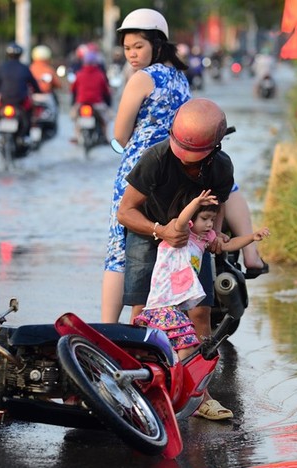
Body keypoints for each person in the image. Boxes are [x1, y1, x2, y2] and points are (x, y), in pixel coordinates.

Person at [117, 98, 236, 418]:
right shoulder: (155, 158)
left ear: (215, 147)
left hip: (193, 242)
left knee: (199, 313)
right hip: (149, 231)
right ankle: (138, 391)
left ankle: (199, 395)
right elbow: (125, 212)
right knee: (144, 312)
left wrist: (216, 234)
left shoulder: (221, 166)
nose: (187, 163)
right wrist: (161, 230)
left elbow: (219, 205)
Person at [101, 7, 190, 323]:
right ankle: (149, 326)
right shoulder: (181, 79)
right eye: (126, 48)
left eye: (138, 47)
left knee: (119, 251)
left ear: (157, 43)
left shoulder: (142, 78)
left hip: (136, 174)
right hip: (174, 177)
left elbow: (120, 135)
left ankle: (108, 330)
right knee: (159, 248)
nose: (132, 55)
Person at [133, 188, 269, 370]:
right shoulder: (180, 234)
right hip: (162, 306)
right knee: (187, 345)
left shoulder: (204, 239)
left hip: (176, 308)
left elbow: (228, 244)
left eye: (212, 220)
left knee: (180, 346)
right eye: (204, 219)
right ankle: (183, 381)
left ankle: (176, 379)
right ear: (192, 219)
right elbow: (182, 220)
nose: (209, 224)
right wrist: (196, 203)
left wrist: (252, 237)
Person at [0, 42, 41, 141]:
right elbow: (34, 84)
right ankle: (26, 136)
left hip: (5, 100)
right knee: (30, 113)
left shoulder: (2, 67)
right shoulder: (25, 68)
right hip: (20, 101)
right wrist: (38, 91)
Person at [69, 50, 112, 142]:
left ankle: (76, 137)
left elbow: (73, 90)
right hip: (97, 103)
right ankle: (105, 137)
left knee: (75, 119)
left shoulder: (79, 74)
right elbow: (106, 91)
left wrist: (74, 102)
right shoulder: (100, 75)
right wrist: (108, 104)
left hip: (81, 102)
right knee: (106, 120)